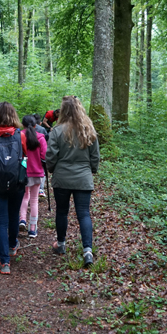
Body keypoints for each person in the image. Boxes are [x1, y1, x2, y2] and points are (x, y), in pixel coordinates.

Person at [45, 96, 100, 267]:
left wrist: (52, 169)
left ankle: (61, 244)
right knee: (83, 213)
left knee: (62, 211)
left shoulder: (57, 130)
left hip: (62, 177)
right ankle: (88, 251)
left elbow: (51, 156)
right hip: (83, 177)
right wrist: (91, 170)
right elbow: (95, 156)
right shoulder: (88, 129)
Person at [0, 102, 28, 275]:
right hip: (17, 182)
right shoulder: (21, 136)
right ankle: (12, 246)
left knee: (1, 221)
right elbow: (24, 155)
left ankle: (4, 263)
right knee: (14, 215)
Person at [18, 115, 47, 238]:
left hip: (22, 172)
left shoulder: (19, 136)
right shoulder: (40, 138)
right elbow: (45, 156)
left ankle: (22, 220)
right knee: (34, 200)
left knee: (25, 197)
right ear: (36, 125)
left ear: (22, 125)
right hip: (37, 172)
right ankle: (32, 229)